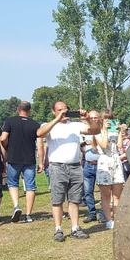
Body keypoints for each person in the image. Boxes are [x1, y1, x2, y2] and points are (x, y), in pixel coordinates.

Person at [36, 101, 101, 242]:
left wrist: (88, 118)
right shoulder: (48, 126)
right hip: (57, 166)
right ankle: (58, 229)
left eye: (65, 110)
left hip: (75, 166)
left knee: (74, 199)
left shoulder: (75, 125)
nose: (63, 113)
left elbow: (96, 130)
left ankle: (75, 228)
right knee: (57, 199)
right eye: (60, 110)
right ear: (54, 111)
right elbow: (39, 133)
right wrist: (56, 119)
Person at [0, 101, 43, 223]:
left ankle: (17, 206)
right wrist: (41, 161)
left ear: (18, 109)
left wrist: (6, 147)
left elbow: (3, 138)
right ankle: (28, 215)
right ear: (30, 110)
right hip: (29, 159)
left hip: (14, 158)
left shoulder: (10, 121)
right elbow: (40, 145)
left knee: (13, 183)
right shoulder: (35, 124)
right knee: (30, 186)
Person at [94, 112, 125, 229]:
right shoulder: (97, 132)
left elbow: (120, 146)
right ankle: (108, 219)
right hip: (104, 163)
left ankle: (117, 218)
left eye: (110, 119)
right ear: (101, 120)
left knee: (117, 195)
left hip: (116, 161)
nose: (108, 121)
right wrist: (105, 130)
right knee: (106, 195)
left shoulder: (115, 131)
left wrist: (119, 132)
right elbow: (103, 144)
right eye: (106, 119)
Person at [81, 115, 102, 223]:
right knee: (88, 191)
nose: (93, 119)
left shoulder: (102, 130)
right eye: (91, 117)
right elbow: (79, 146)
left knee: (104, 191)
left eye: (95, 117)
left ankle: (103, 213)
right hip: (88, 165)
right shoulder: (85, 131)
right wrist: (83, 144)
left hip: (101, 165)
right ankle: (92, 213)